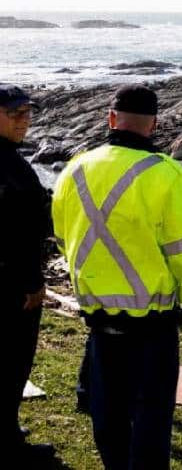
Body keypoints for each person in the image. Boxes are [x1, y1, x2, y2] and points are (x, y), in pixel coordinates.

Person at [51, 85, 182, 470]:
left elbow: (65, 240)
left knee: (108, 417)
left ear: (111, 118)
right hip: (152, 328)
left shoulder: (74, 169)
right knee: (150, 419)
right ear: (154, 124)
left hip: (98, 319)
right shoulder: (164, 174)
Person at [0, 85, 55, 467]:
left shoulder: (10, 159)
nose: (25, 121)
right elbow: (14, 234)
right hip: (10, 285)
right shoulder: (6, 166)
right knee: (10, 363)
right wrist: (32, 282)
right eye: (15, 113)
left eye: (28, 113)